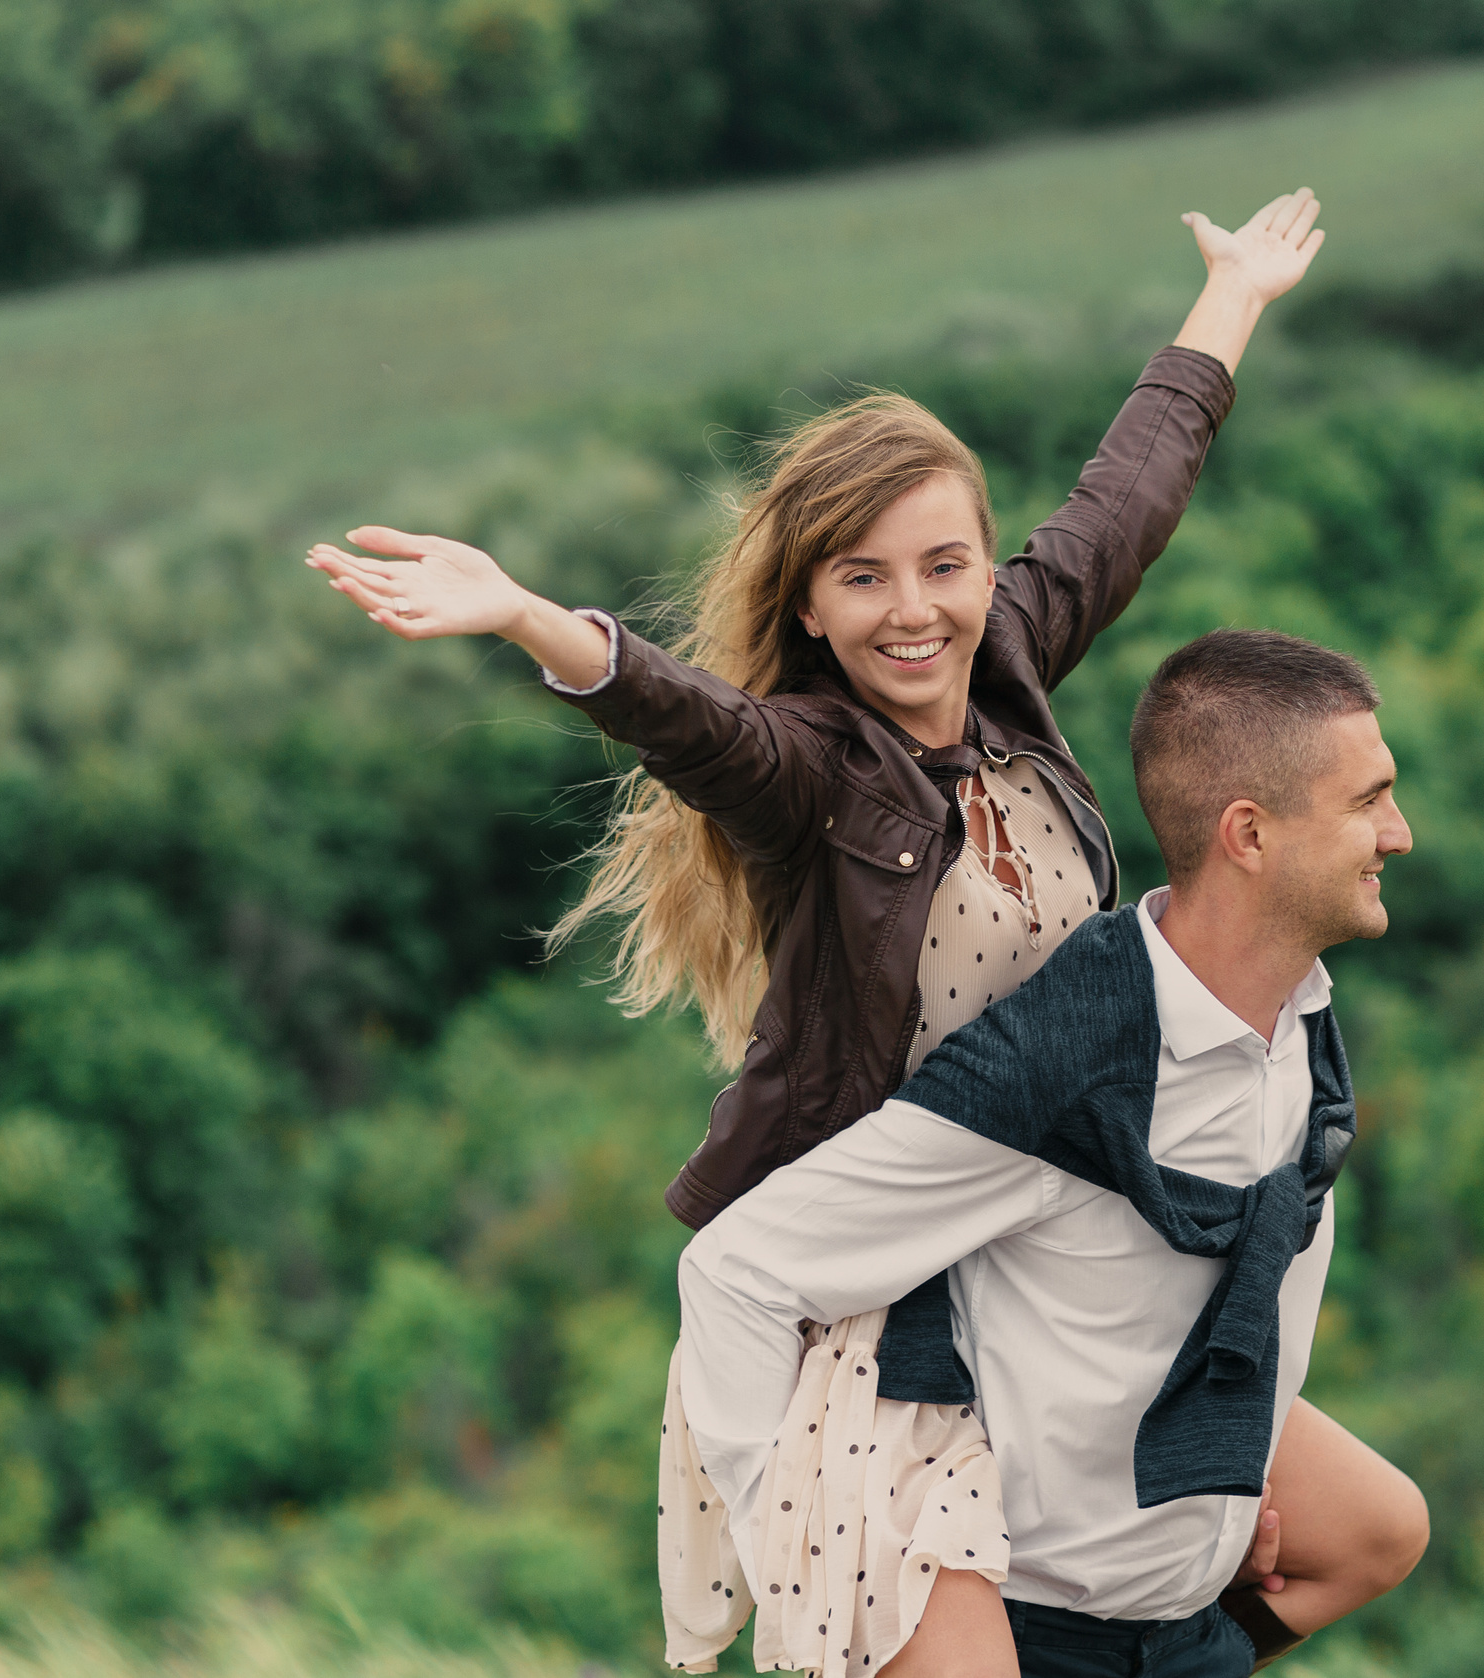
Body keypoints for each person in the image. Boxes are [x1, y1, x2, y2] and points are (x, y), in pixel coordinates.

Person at [303, 194, 1424, 1676]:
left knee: (1364, 1524)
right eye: (864, 578)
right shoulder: (817, 773)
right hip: (894, 1266)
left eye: (946, 565)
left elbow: (1122, 504)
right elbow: (690, 725)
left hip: (1049, 1219)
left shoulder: (1010, 663)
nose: (918, 612)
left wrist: (1229, 302)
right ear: (814, 610)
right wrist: (532, 623)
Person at [679, 629, 1422, 1678]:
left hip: (1183, 1623)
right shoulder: (1064, 1056)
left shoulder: (1302, 1024)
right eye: (1368, 800)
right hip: (1016, 1622)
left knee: (1383, 1528)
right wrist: (797, 1554)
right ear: (1248, 834)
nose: (1398, 832)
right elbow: (737, 1266)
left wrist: (1232, 1488)